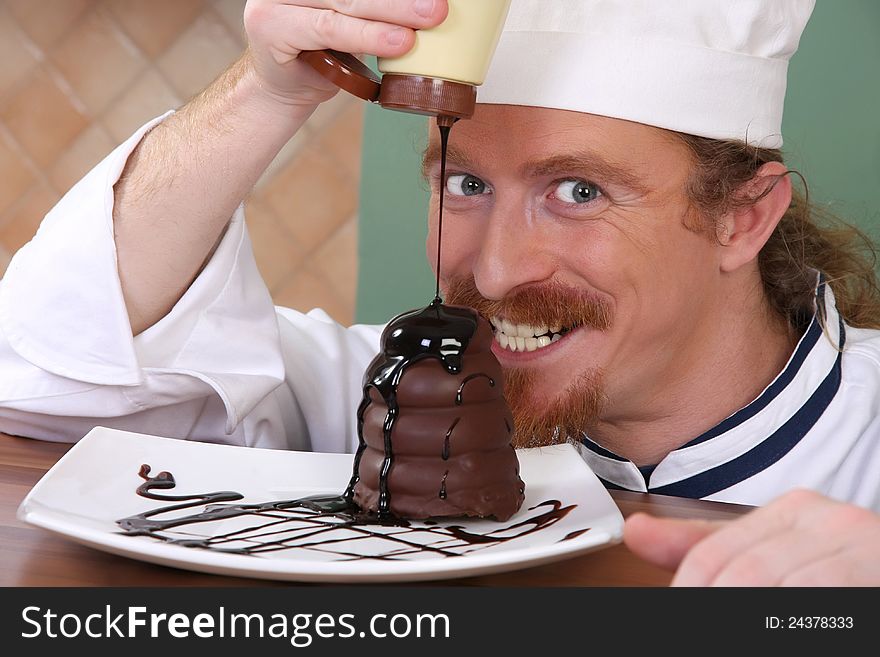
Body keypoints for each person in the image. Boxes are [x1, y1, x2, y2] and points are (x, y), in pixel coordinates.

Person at [1, 0, 879, 585]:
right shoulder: (389, 397)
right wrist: (267, 89)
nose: (492, 274)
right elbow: (52, 386)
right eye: (466, 186)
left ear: (742, 218)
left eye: (578, 192)